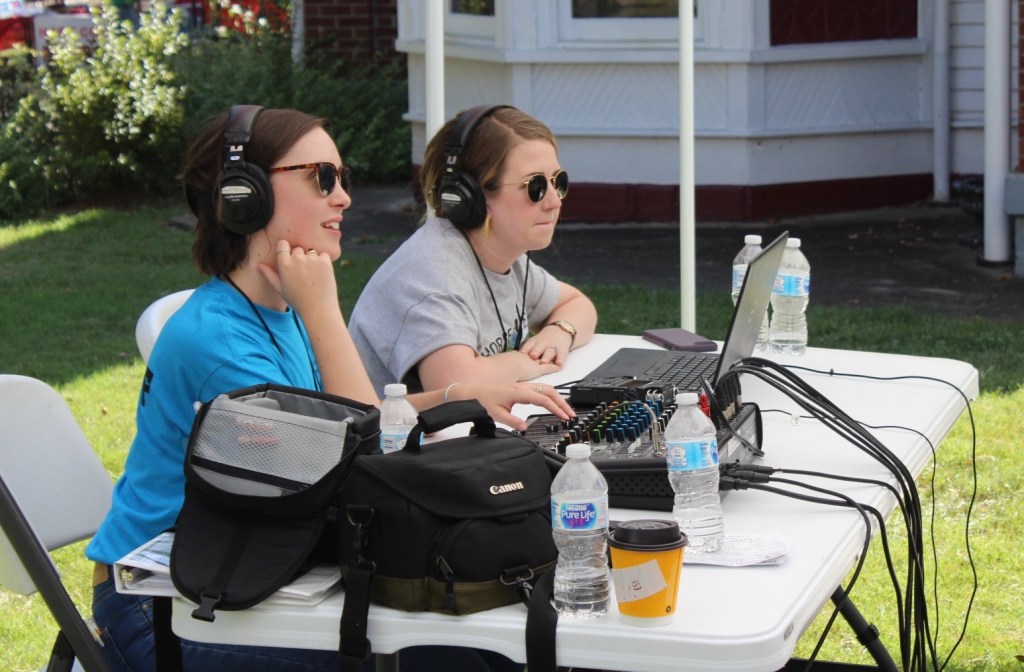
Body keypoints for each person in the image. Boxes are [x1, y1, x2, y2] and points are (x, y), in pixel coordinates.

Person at [84, 105, 572, 672]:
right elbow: (363, 462)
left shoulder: (277, 307)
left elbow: (346, 428)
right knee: (454, 659)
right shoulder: (221, 344)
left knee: (490, 645)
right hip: (160, 604)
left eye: (344, 179)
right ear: (246, 194)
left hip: (243, 566)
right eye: (322, 178)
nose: (343, 198)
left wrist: (449, 402)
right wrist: (322, 312)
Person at [349, 104, 598, 397]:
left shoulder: (506, 258)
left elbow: (578, 304)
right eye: (536, 186)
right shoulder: (432, 274)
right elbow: (456, 386)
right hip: (396, 441)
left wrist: (560, 332)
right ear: (470, 196)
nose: (555, 201)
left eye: (559, 182)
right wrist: (522, 362)